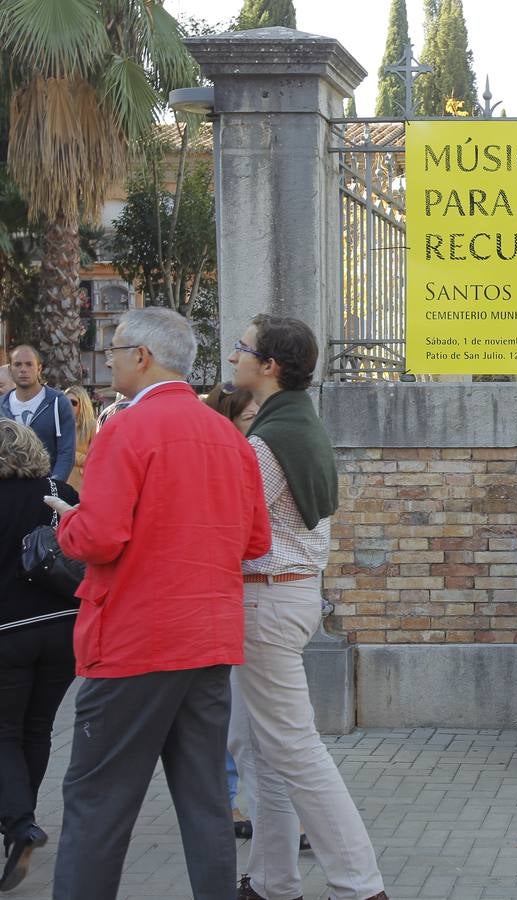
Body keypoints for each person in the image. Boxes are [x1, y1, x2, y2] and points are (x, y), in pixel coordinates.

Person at [45, 307, 271, 900]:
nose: (112, 359)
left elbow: (98, 539)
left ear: (141, 357)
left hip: (133, 642)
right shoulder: (231, 438)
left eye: (116, 349)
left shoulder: (125, 429)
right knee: (205, 802)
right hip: (207, 640)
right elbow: (255, 542)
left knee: (97, 804)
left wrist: (69, 525)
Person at [227, 315, 388, 900]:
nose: (233, 356)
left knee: (293, 748)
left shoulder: (268, 442)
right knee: (256, 744)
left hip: (268, 601)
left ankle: (360, 885)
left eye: (243, 349)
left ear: (269, 366)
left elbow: (230, 525)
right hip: (285, 595)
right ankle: (272, 881)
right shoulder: (294, 421)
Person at [0, 421, 79, 891]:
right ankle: (19, 824)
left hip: (7, 632)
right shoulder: (60, 488)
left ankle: (20, 823)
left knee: (3, 730)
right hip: (64, 629)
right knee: (37, 728)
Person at [202, 382, 260, 841]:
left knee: (241, 710)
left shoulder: (255, 458)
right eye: (247, 418)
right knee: (226, 707)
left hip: (243, 595)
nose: (256, 424)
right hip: (221, 598)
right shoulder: (224, 464)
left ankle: (241, 799)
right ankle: (227, 800)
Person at [0, 345, 75, 482]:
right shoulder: (2, 405)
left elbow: (66, 452)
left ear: (39, 368)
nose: (23, 369)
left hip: (45, 488)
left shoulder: (58, 403)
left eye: (29, 364)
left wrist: (54, 487)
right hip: (7, 490)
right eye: (18, 365)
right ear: (10, 370)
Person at [62, 385, 96, 491]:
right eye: (66, 402)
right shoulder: (57, 425)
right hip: (60, 481)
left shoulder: (91, 426)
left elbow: (96, 458)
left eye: (74, 402)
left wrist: (70, 454)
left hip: (80, 483)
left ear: (83, 405)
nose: (69, 406)